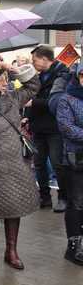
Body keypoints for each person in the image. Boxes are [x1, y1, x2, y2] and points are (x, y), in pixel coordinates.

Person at [0, 60, 40, 269]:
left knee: (14, 204)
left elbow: (33, 87)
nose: (2, 81)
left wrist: (16, 71)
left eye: (3, 77)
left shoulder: (13, 97)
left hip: (15, 160)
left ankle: (11, 250)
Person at [27, 45, 69, 212]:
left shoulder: (62, 75)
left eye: (34, 60)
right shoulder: (40, 76)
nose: (33, 63)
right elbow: (34, 97)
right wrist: (27, 116)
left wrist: (34, 103)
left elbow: (58, 101)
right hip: (38, 127)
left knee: (58, 164)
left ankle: (63, 198)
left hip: (54, 127)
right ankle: (44, 198)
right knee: (39, 164)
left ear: (45, 59)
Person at [56, 63, 83, 266]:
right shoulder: (67, 99)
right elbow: (67, 128)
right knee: (77, 202)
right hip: (76, 158)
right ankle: (73, 247)